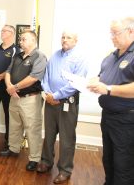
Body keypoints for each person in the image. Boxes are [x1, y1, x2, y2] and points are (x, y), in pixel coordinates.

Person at [87, 17, 134, 185]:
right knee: (109, 160)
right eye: (111, 33)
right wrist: (95, 81)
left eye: (116, 33)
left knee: (124, 164)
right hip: (108, 117)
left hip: (126, 120)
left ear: (131, 31)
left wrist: (108, 89)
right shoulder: (111, 55)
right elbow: (103, 76)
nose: (112, 37)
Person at [38, 30, 88, 184]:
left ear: (76, 40)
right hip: (50, 102)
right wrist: (48, 94)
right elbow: (46, 77)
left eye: (69, 37)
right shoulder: (55, 56)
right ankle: (46, 161)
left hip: (67, 103)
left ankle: (65, 170)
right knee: (49, 135)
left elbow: (76, 84)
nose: (65, 40)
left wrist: (57, 95)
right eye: (63, 37)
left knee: (66, 139)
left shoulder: (80, 58)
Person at [0, 30, 47, 172]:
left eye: (24, 39)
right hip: (14, 97)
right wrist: (9, 87)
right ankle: (13, 149)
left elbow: (34, 77)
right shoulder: (18, 55)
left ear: (33, 40)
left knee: (32, 129)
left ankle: (34, 158)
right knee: (14, 125)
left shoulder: (39, 56)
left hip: (30, 99)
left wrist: (15, 87)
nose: (20, 42)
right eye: (20, 39)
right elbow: (8, 72)